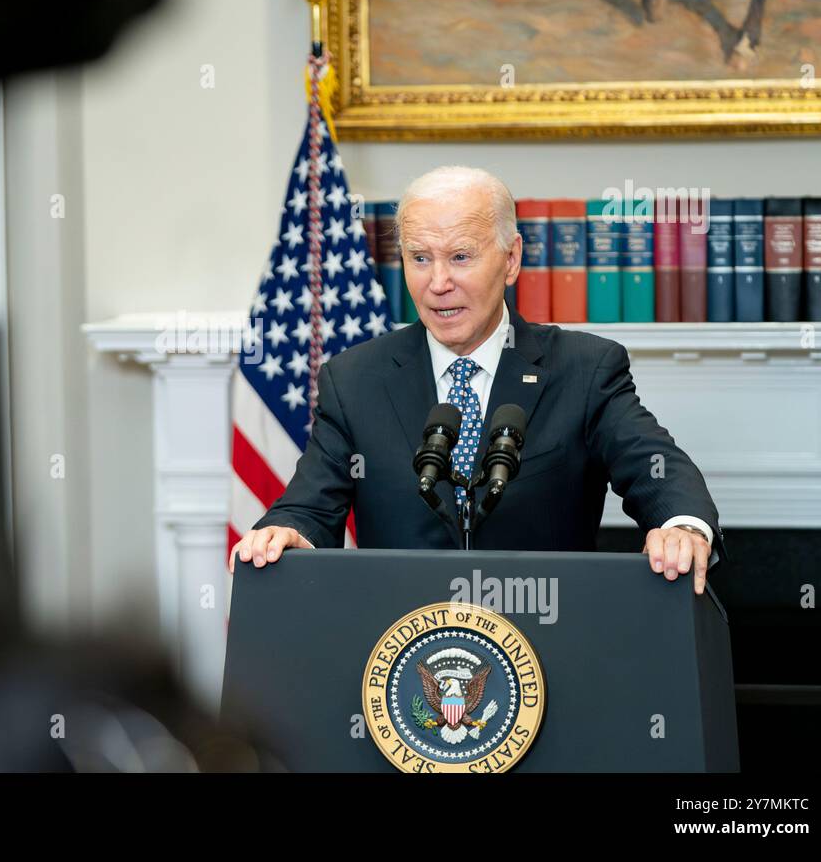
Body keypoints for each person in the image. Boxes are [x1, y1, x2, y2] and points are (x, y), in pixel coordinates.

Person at [230, 166, 724, 594]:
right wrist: (286, 532)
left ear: (511, 260)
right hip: (399, 653)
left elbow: (655, 466)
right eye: (420, 258)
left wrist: (681, 526)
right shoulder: (356, 379)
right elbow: (310, 506)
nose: (438, 282)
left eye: (461, 257)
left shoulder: (583, 369)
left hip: (545, 640)